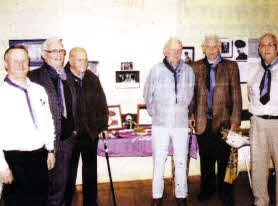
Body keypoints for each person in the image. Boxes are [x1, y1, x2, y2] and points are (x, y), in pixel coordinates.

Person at [189, 35, 242, 206]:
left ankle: (226, 194)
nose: (211, 50)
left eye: (214, 47)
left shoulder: (231, 66)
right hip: (204, 121)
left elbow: (236, 95)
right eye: (208, 47)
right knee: (206, 160)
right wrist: (191, 115)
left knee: (225, 161)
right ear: (203, 48)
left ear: (219, 47)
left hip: (224, 122)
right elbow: (193, 95)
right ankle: (207, 190)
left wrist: (235, 121)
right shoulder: (195, 67)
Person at [0, 45, 55, 206]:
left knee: (41, 201)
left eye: (25, 60)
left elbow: (48, 120)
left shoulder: (39, 90)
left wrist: (50, 149)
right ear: (6, 64)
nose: (21, 64)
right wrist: (2, 167)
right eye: (15, 61)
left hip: (39, 157)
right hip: (13, 160)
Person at [144, 38, 195, 206]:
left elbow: (191, 95)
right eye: (173, 50)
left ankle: (181, 196)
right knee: (159, 160)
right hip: (161, 123)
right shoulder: (156, 70)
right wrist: (156, 113)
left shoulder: (188, 70)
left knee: (181, 160)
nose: (176, 53)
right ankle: (156, 197)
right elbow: (147, 95)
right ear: (165, 51)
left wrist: (185, 112)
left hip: (181, 122)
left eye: (179, 50)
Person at [28, 38, 76, 206]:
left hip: (66, 141)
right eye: (54, 51)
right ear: (44, 55)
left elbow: (73, 104)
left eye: (61, 51)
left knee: (61, 187)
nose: (58, 55)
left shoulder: (67, 76)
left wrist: (74, 128)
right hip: (44, 144)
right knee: (43, 188)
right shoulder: (32, 78)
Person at [64, 47, 109, 206]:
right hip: (70, 135)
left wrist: (103, 127)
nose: (84, 63)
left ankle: (91, 202)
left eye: (85, 59)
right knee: (68, 174)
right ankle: (66, 202)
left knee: (90, 172)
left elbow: (102, 105)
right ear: (70, 61)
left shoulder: (92, 78)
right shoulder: (62, 78)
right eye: (79, 59)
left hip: (90, 133)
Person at [248, 33, 278, 206]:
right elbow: (251, 95)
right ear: (259, 49)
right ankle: (260, 202)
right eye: (262, 46)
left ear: (277, 48)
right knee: (258, 167)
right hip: (258, 123)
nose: (266, 49)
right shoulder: (254, 69)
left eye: (270, 45)